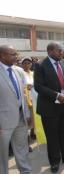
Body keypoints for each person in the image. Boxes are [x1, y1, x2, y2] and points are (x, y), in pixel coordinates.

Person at [34, 42, 64, 173]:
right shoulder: (40, 65)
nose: (62, 53)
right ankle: (54, 161)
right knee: (52, 136)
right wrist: (57, 95)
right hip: (49, 107)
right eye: (59, 50)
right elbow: (39, 86)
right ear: (50, 51)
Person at [0, 45, 32, 174]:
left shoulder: (19, 71)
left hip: (21, 118)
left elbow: (23, 95)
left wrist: (27, 113)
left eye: (16, 53)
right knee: (2, 152)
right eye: (12, 54)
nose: (16, 57)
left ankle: (25, 171)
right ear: (2, 55)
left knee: (22, 149)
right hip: (3, 121)